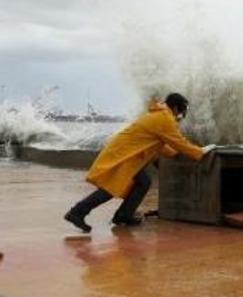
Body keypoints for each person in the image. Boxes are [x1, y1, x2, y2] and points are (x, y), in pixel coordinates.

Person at [64, 93, 215, 232]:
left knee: (142, 182)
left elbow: (160, 144)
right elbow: (178, 142)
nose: (181, 115)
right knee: (110, 189)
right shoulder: (164, 118)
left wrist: (177, 154)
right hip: (124, 156)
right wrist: (199, 152)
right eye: (181, 111)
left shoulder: (159, 115)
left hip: (126, 153)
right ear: (175, 107)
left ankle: (123, 216)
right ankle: (77, 212)